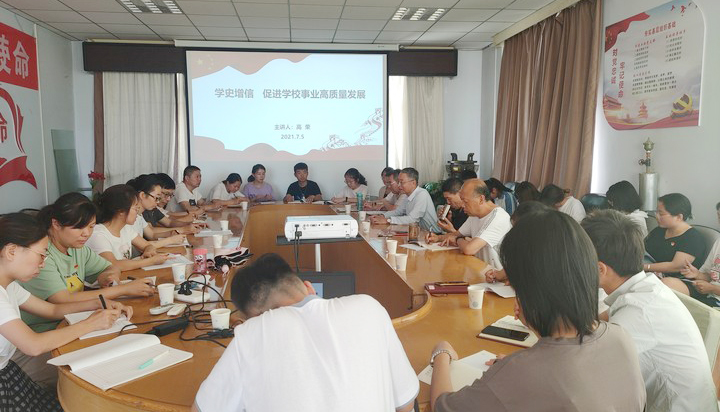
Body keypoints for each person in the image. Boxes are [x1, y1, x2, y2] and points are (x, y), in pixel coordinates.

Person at [429, 210, 646, 411]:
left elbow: (442, 406)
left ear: (529, 290)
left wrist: (441, 354)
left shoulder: (522, 372)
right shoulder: (620, 336)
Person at [193, 253, 419, 412]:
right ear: (308, 287)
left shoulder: (251, 334)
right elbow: (406, 404)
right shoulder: (369, 307)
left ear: (261, 316)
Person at [582, 210, 717, 412]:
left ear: (601, 269)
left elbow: (584, 370)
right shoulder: (645, 287)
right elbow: (602, 320)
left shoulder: (638, 312)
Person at [0, 213, 132, 409]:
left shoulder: (9, 285)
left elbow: (52, 309)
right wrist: (92, 323)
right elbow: (33, 345)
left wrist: (98, 303)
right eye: (41, 255)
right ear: (11, 251)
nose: (43, 263)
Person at [426, 179, 511, 275]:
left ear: (481, 199)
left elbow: (469, 249)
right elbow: (457, 234)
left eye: (465, 202)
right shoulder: (474, 215)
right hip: (479, 270)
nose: (463, 205)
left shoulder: (498, 217)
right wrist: (437, 238)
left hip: (496, 276)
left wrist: (457, 240)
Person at [86, 184, 170, 271]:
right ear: (121, 211)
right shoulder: (98, 234)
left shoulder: (125, 228)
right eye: (135, 208)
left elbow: (147, 245)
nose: (137, 212)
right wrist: (151, 261)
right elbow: (113, 265)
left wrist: (149, 250)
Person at [646, 193, 710, 305]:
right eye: (656, 212)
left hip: (682, 281)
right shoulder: (659, 231)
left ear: (679, 217)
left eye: (661, 213)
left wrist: (644, 267)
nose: (657, 216)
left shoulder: (692, 238)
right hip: (654, 274)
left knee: (665, 283)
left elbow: (675, 266)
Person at [127, 174, 191, 246]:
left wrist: (173, 233)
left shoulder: (139, 216)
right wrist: (170, 240)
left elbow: (152, 234)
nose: (157, 202)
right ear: (142, 195)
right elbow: (142, 246)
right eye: (156, 198)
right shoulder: (129, 218)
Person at [371, 167, 441, 233]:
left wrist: (388, 220)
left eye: (402, 182)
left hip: (434, 234)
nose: (399, 185)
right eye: (398, 182)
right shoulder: (407, 195)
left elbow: (412, 219)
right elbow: (398, 212)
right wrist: (382, 216)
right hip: (419, 232)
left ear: (413, 183)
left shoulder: (422, 194)